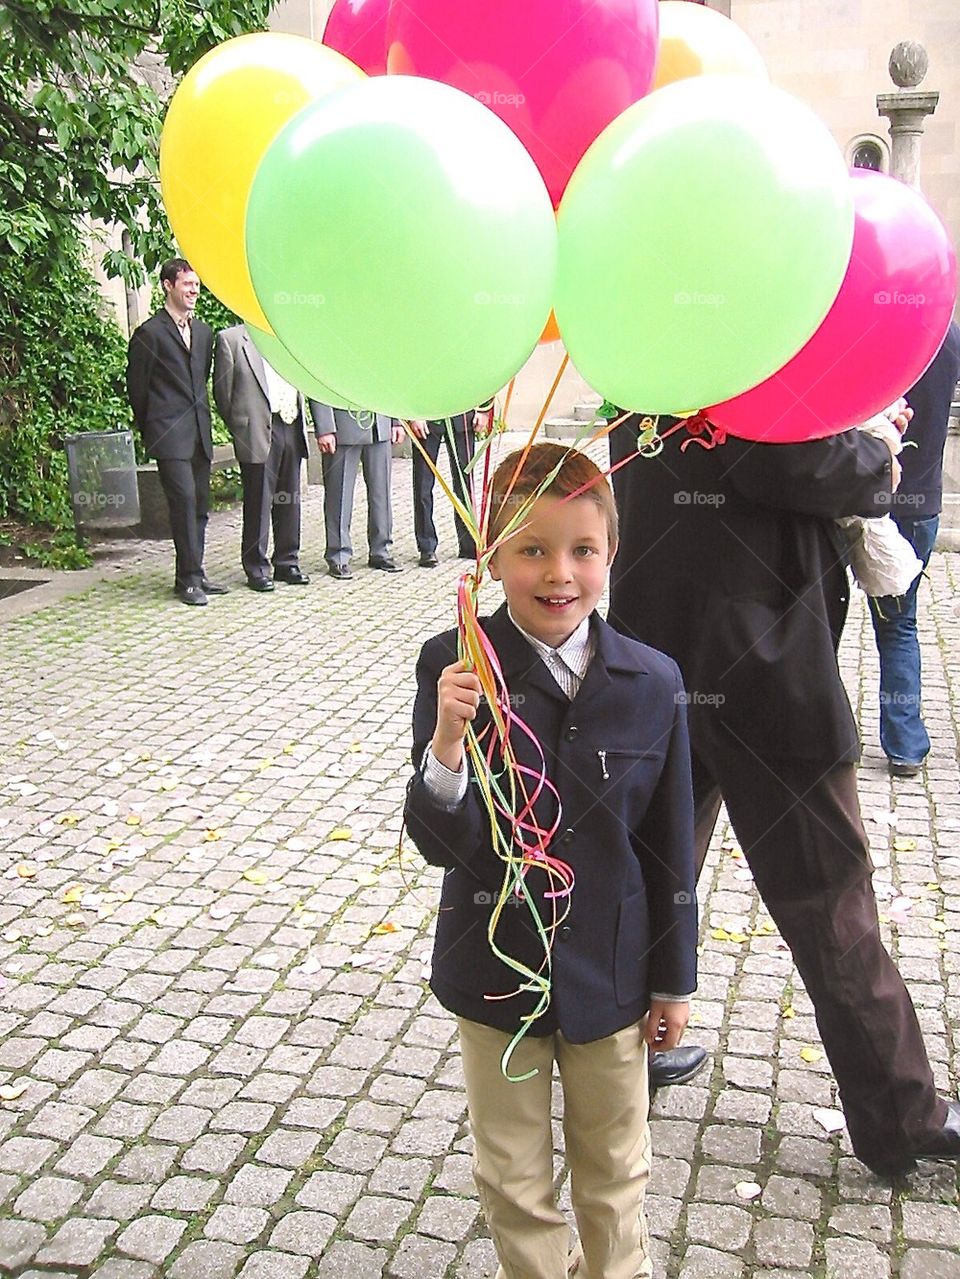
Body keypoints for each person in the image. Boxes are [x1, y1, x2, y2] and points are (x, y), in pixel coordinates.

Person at [608, 413, 960, 1177]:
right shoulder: (741, 326)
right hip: (759, 664)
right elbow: (783, 455)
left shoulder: (632, 329)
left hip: (657, 639)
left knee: (646, 869)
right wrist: (874, 453)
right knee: (827, 892)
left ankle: (612, 1060)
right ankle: (902, 1116)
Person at [404, 444, 698, 1278]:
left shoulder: (653, 681)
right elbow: (436, 843)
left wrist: (674, 976)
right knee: (513, 1174)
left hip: (611, 974)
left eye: (582, 549)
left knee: (615, 1170)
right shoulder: (454, 666)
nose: (558, 572)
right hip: (492, 976)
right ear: (492, 552)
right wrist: (448, 746)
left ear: (612, 554)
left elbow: (669, 843)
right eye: (531, 549)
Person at [871, 320, 960, 776]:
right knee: (899, 625)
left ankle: (820, 734)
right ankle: (905, 745)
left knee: (819, 611)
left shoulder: (879, 327)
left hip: (861, 493)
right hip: (921, 502)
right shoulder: (949, 335)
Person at [126, 259, 227, 606]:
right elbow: (137, 388)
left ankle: (194, 573)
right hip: (169, 435)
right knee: (182, 502)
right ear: (168, 285)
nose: (194, 291)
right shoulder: (150, 333)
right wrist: (151, 427)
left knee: (199, 504)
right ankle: (188, 582)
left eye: (197, 285)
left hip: (199, 432)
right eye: (187, 284)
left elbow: (202, 381)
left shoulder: (204, 333)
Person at [213, 324, 310, 592]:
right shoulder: (231, 339)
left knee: (289, 497)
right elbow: (223, 393)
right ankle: (256, 567)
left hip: (291, 423)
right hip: (255, 429)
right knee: (258, 501)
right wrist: (241, 427)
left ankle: (287, 561)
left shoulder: (288, 334)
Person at [310, 403, 405, 579]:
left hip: (380, 423)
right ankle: (338, 553)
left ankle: (381, 550)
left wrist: (396, 420)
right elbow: (319, 383)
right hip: (342, 425)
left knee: (381, 494)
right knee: (339, 494)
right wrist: (324, 428)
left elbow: (389, 380)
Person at [409, 405, 491, 566]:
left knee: (465, 485)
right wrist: (413, 414)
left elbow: (477, 378)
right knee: (423, 486)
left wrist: (483, 410)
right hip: (426, 416)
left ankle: (468, 543)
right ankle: (427, 547)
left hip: (462, 416)